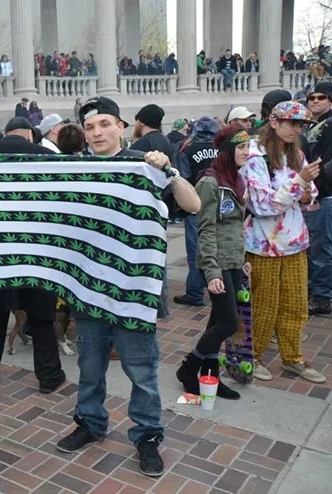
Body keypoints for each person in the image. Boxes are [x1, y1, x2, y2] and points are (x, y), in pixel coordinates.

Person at [56, 96, 200, 478]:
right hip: (88, 290)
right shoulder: (76, 171)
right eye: (90, 127)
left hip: (133, 294)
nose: (97, 132)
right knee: (89, 367)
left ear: (121, 126)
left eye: (105, 123)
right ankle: (90, 422)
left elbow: (193, 205)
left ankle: (148, 435)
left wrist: (169, 171)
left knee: (141, 371)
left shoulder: (144, 166)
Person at [0, 117, 67, 393]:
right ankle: (49, 375)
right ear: (29, 135)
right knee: (41, 315)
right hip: (35, 249)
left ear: (5, 134)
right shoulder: (47, 156)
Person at [240, 101, 326, 384]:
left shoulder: (297, 154)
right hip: (263, 245)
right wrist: (299, 183)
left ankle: (293, 358)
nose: (297, 129)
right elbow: (263, 205)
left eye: (301, 125)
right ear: (275, 122)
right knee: (264, 305)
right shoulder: (255, 157)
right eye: (292, 123)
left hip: (295, 242)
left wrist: (306, 192)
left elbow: (310, 194)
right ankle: (253, 355)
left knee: (296, 304)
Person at [176, 126, 252, 401]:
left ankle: (212, 378)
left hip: (232, 260)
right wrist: (211, 271)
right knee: (228, 324)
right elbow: (205, 229)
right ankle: (188, 368)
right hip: (216, 262)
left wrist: (242, 259)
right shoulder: (210, 183)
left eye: (248, 146)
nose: (246, 152)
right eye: (241, 147)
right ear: (227, 151)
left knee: (216, 324)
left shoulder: (236, 179)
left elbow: (235, 227)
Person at [173, 117, 221, 306]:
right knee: (218, 247)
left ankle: (195, 293)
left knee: (196, 252)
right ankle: (218, 287)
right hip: (220, 204)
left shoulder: (187, 148)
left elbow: (183, 177)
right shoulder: (222, 148)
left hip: (196, 205)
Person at [304, 83, 332, 315]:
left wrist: (317, 186)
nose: (314, 101)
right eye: (311, 97)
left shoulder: (330, 124)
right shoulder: (315, 125)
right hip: (316, 193)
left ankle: (322, 297)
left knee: (321, 249)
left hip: (324, 194)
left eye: (321, 97)